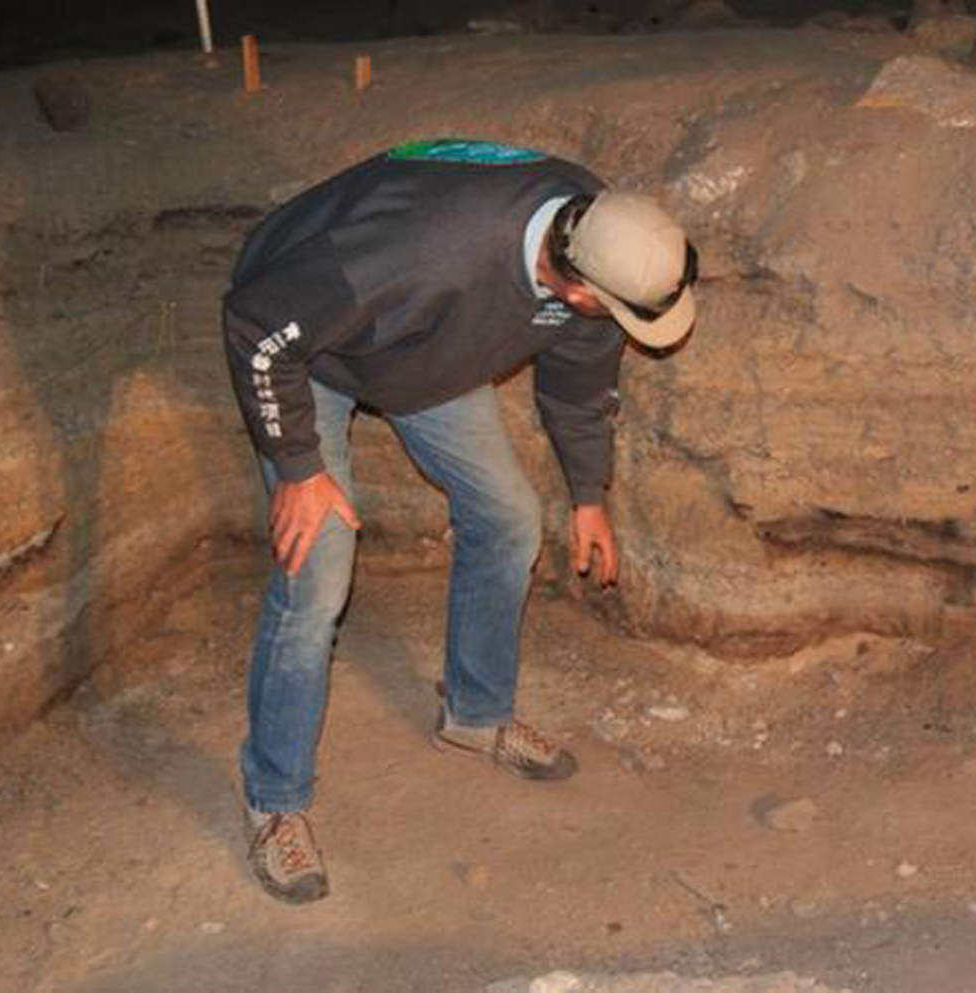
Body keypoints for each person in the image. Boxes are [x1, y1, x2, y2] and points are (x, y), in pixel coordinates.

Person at [222, 138, 699, 904]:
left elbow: (577, 385)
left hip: (422, 344)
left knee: (509, 518)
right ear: (576, 287)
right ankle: (274, 799)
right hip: (308, 346)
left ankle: (476, 714)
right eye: (605, 312)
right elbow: (257, 322)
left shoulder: (607, 240)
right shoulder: (418, 250)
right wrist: (299, 466)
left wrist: (588, 494)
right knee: (318, 570)